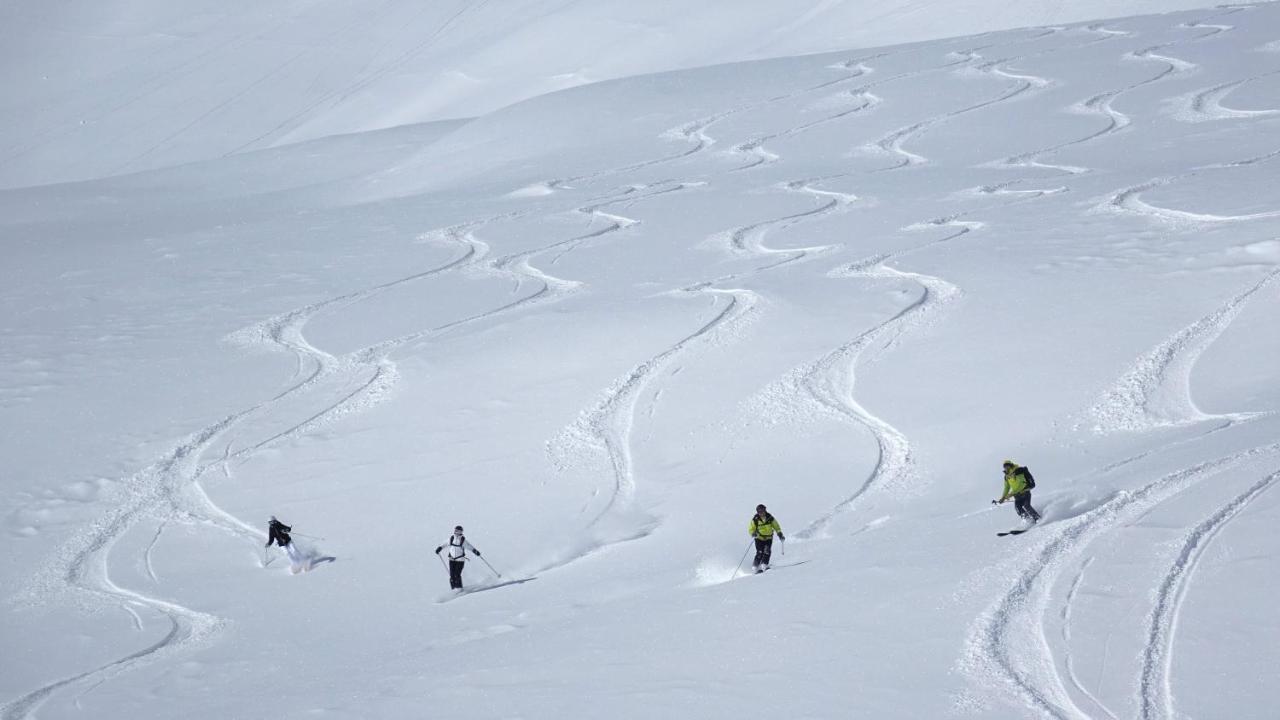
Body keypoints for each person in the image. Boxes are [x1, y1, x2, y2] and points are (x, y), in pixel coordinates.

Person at [435, 525, 482, 590]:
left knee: (457, 575)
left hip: (460, 560)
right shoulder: (451, 538)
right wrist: (439, 548)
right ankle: (454, 590)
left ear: (461, 532)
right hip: (451, 559)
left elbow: (469, 547)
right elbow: (444, 544)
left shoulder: (463, 540)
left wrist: (475, 551)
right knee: (452, 576)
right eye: (455, 530)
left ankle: (459, 589)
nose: (456, 532)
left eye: (458, 531)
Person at [748, 504, 784, 573]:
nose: (762, 513)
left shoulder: (770, 518)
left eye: (763, 511)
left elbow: (776, 526)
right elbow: (751, 528)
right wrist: (753, 533)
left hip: (768, 538)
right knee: (760, 552)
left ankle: (764, 564)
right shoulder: (755, 519)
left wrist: (779, 533)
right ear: (758, 512)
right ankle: (755, 566)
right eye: (760, 512)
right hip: (759, 538)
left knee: (767, 551)